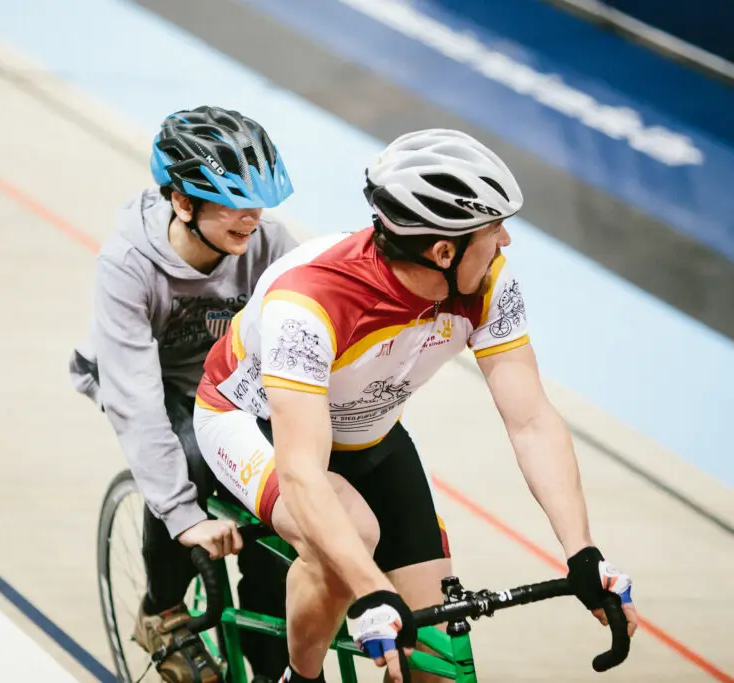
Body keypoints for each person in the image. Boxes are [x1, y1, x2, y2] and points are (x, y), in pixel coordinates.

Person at [191, 129, 639, 683]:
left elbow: (531, 421)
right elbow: (302, 472)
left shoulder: (488, 281)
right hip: (252, 425)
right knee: (348, 540)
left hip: (369, 435)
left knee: (437, 660)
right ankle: (297, 679)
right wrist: (371, 590)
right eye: (493, 229)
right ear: (443, 251)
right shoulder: (308, 304)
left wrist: (582, 552)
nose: (505, 241)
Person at [70, 105, 300, 683]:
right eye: (233, 203)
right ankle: (164, 612)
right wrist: (181, 515)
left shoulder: (269, 243)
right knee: (190, 460)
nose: (252, 219)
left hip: (233, 382)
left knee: (282, 493)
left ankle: (271, 656)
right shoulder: (128, 263)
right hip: (156, 379)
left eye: (258, 203)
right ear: (182, 202)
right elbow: (136, 399)